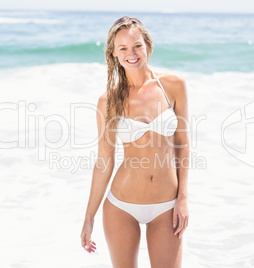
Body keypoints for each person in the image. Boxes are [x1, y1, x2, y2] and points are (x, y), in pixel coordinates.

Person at [81, 16, 190, 267]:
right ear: (114, 54)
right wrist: (89, 217)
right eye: (123, 48)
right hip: (121, 206)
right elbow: (104, 162)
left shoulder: (173, 86)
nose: (132, 53)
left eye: (137, 45)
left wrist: (183, 198)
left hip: (166, 206)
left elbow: (182, 145)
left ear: (148, 46)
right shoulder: (108, 101)